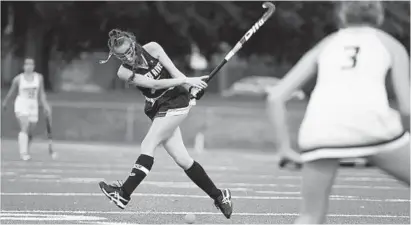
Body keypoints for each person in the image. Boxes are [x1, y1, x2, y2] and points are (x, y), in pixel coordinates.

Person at [266, 1, 410, 224]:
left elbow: (276, 97)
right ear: (379, 15)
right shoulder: (391, 45)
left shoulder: (327, 44)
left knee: (310, 216)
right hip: (374, 126)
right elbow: (407, 108)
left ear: (342, 15)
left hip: (320, 131)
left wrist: (284, 149)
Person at [98, 29, 233, 219]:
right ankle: (220, 196)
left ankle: (124, 194)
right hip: (158, 108)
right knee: (183, 160)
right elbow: (152, 85)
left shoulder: (152, 48)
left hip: (176, 102)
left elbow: (174, 71)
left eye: (129, 51)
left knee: (148, 144)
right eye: (121, 56)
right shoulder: (123, 72)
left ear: (134, 43)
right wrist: (187, 80)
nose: (128, 57)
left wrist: (190, 87)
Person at [2, 58, 53, 161]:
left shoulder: (39, 78)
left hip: (33, 105)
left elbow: (41, 94)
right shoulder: (18, 79)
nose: (29, 66)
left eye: (31, 64)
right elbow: (11, 92)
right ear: (23, 66)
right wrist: (5, 103)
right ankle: (23, 152)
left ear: (34, 66)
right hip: (21, 104)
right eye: (27, 64)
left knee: (30, 131)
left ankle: (26, 150)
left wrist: (45, 105)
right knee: (24, 126)